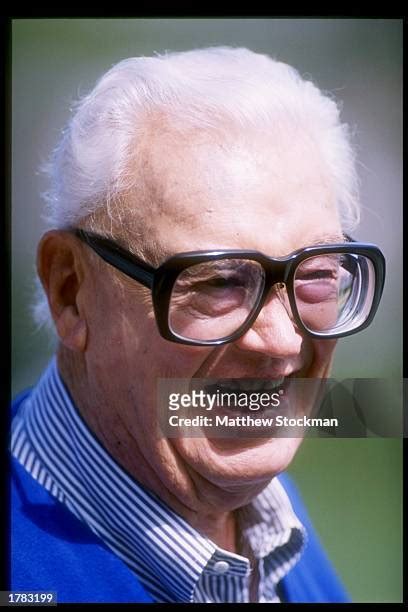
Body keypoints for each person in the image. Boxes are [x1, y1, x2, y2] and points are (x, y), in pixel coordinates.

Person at [10, 46, 385, 604]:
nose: (283, 343)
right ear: (71, 291)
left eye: (318, 274)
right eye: (220, 283)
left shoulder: (262, 510)